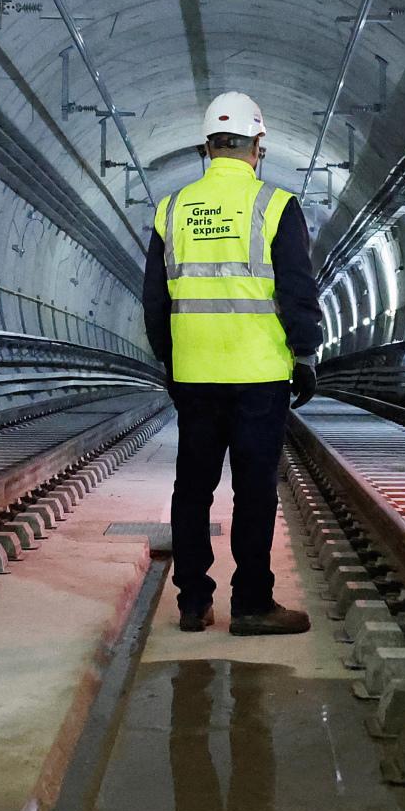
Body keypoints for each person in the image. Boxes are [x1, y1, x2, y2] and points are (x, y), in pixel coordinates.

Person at [141, 91, 320, 634]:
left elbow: (155, 300)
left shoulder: (170, 210)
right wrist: (305, 354)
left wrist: (173, 363)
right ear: (257, 146)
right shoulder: (277, 206)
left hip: (195, 375)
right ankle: (251, 604)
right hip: (260, 376)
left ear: (207, 148)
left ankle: (193, 602)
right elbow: (295, 291)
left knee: (192, 490)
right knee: (254, 489)